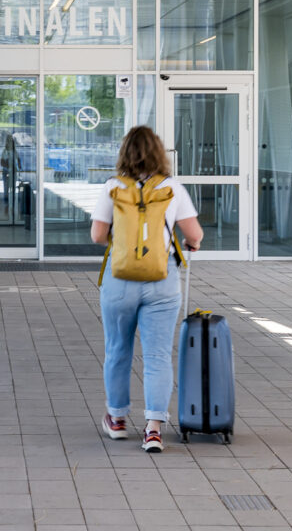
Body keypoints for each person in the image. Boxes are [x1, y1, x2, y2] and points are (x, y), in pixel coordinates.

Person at [90, 125, 203, 452]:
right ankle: (153, 428)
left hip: (120, 278)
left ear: (124, 152)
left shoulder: (112, 187)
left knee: (117, 350)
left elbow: (98, 236)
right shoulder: (172, 188)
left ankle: (117, 420)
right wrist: (189, 243)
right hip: (161, 280)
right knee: (157, 355)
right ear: (158, 152)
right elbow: (194, 234)